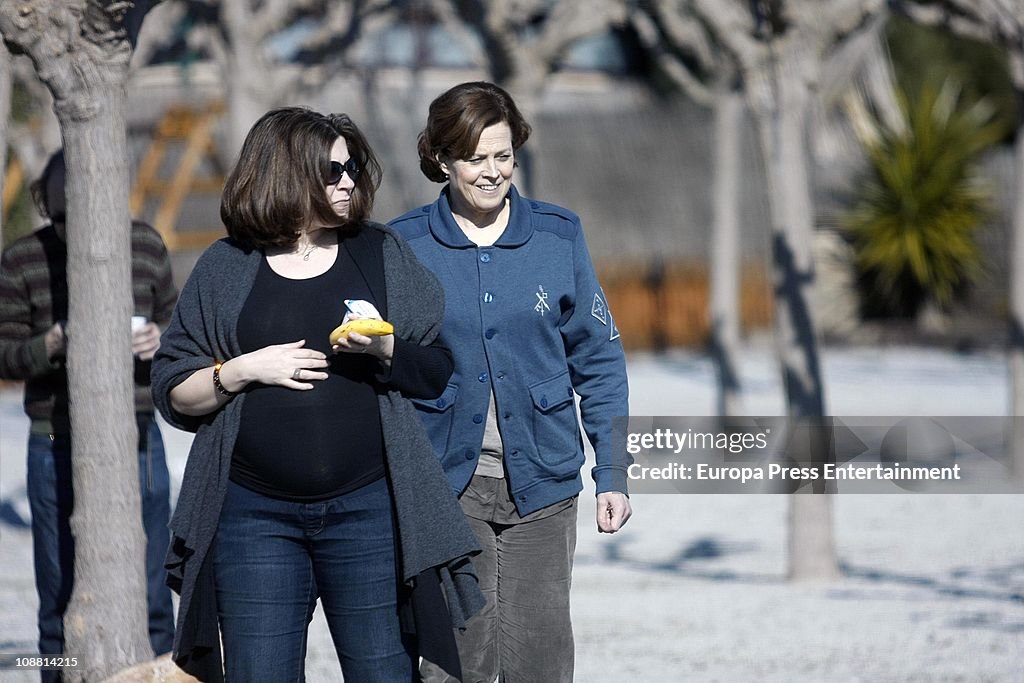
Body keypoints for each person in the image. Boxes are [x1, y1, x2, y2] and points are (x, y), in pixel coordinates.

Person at [151, 107, 483, 682]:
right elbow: (176, 392)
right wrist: (242, 369)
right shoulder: (227, 267)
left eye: (351, 167)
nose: (349, 180)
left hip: (369, 513)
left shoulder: (379, 254)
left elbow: (435, 370)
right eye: (333, 171)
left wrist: (385, 352)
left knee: (384, 673)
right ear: (287, 172)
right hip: (253, 519)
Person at [389, 81, 633, 683]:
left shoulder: (558, 233)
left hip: (544, 481)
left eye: (503, 156)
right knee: (458, 658)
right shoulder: (403, 243)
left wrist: (613, 473)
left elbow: (599, 359)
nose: (493, 172)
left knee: (541, 661)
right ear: (442, 159)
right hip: (447, 482)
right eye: (475, 159)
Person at [0, 151, 177, 678]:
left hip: (138, 430)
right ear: (48, 198)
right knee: (56, 588)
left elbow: (177, 321)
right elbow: (5, 353)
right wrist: (53, 340)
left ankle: (157, 672)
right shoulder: (22, 258)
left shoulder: (144, 244)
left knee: (153, 587)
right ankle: (55, 670)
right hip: (52, 434)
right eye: (63, 203)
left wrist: (158, 340)